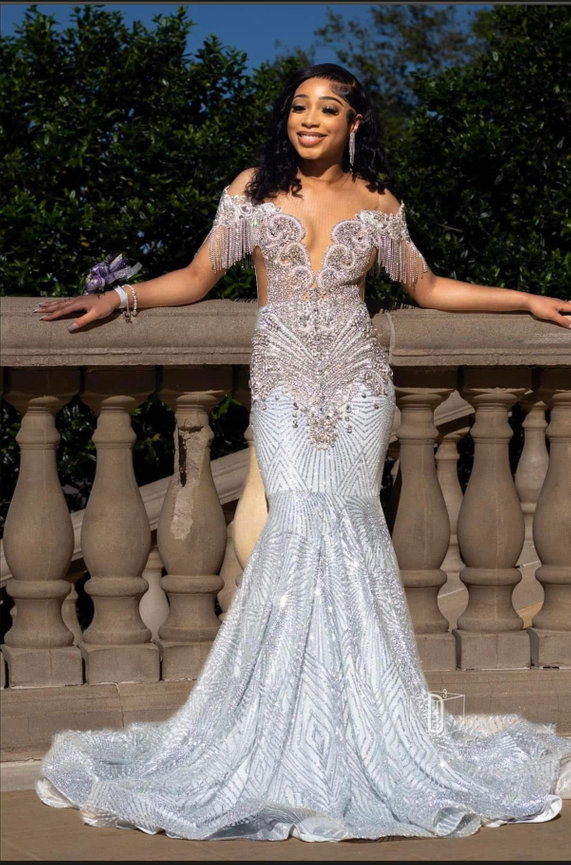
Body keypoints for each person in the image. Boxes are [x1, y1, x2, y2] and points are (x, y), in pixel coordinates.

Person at [34, 64, 570, 842]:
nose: (308, 119)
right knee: (295, 535)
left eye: (327, 108)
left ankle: (354, 729)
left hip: (357, 389)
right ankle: (278, 731)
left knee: (349, 542)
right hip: (285, 386)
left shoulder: (378, 201)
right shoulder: (252, 189)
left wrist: (523, 299)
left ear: (355, 121)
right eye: (298, 106)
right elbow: (196, 276)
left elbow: (423, 288)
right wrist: (117, 296)